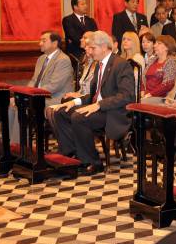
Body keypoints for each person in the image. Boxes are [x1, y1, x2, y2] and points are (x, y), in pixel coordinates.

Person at [51, 31, 135, 175]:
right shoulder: (99, 64)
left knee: (78, 117)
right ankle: (71, 154)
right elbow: (95, 94)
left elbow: (126, 96)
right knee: (61, 112)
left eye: (92, 48)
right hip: (99, 108)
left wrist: (99, 105)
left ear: (104, 47)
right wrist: (75, 102)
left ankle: (93, 162)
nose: (89, 51)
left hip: (113, 112)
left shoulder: (121, 65)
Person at [10, 31, 74, 143]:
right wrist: (23, 94)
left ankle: (18, 145)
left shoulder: (63, 60)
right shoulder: (41, 59)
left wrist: (31, 95)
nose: (40, 43)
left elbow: (54, 86)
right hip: (38, 96)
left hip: (54, 98)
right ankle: (10, 143)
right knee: (12, 105)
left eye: (44, 41)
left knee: (21, 106)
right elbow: (34, 80)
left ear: (54, 43)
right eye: (40, 40)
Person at [141, 35, 176, 99]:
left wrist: (150, 94)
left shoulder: (172, 61)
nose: (154, 45)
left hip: (161, 97)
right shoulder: (152, 60)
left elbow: (168, 85)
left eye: (159, 43)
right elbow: (143, 78)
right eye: (155, 43)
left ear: (167, 47)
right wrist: (142, 91)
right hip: (146, 95)